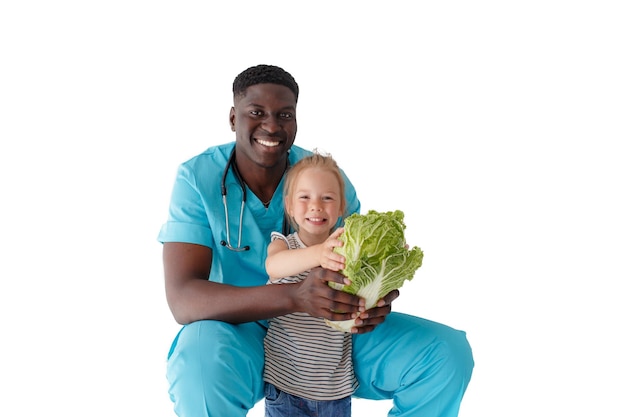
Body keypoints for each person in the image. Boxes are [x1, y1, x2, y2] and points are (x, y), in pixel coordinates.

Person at [158, 64, 474, 417]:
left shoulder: (324, 181)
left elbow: (355, 264)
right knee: (199, 359)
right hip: (236, 333)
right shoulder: (196, 177)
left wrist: (372, 298)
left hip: (324, 338)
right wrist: (294, 297)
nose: (272, 125)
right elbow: (183, 300)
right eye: (256, 113)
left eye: (285, 115)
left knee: (446, 352)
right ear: (233, 118)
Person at [263, 152, 355, 417]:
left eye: (327, 198)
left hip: (334, 391)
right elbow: (274, 266)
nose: (316, 206)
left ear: (340, 208)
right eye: (305, 197)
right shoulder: (283, 244)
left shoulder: (348, 255)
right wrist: (318, 254)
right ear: (290, 206)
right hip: (286, 386)